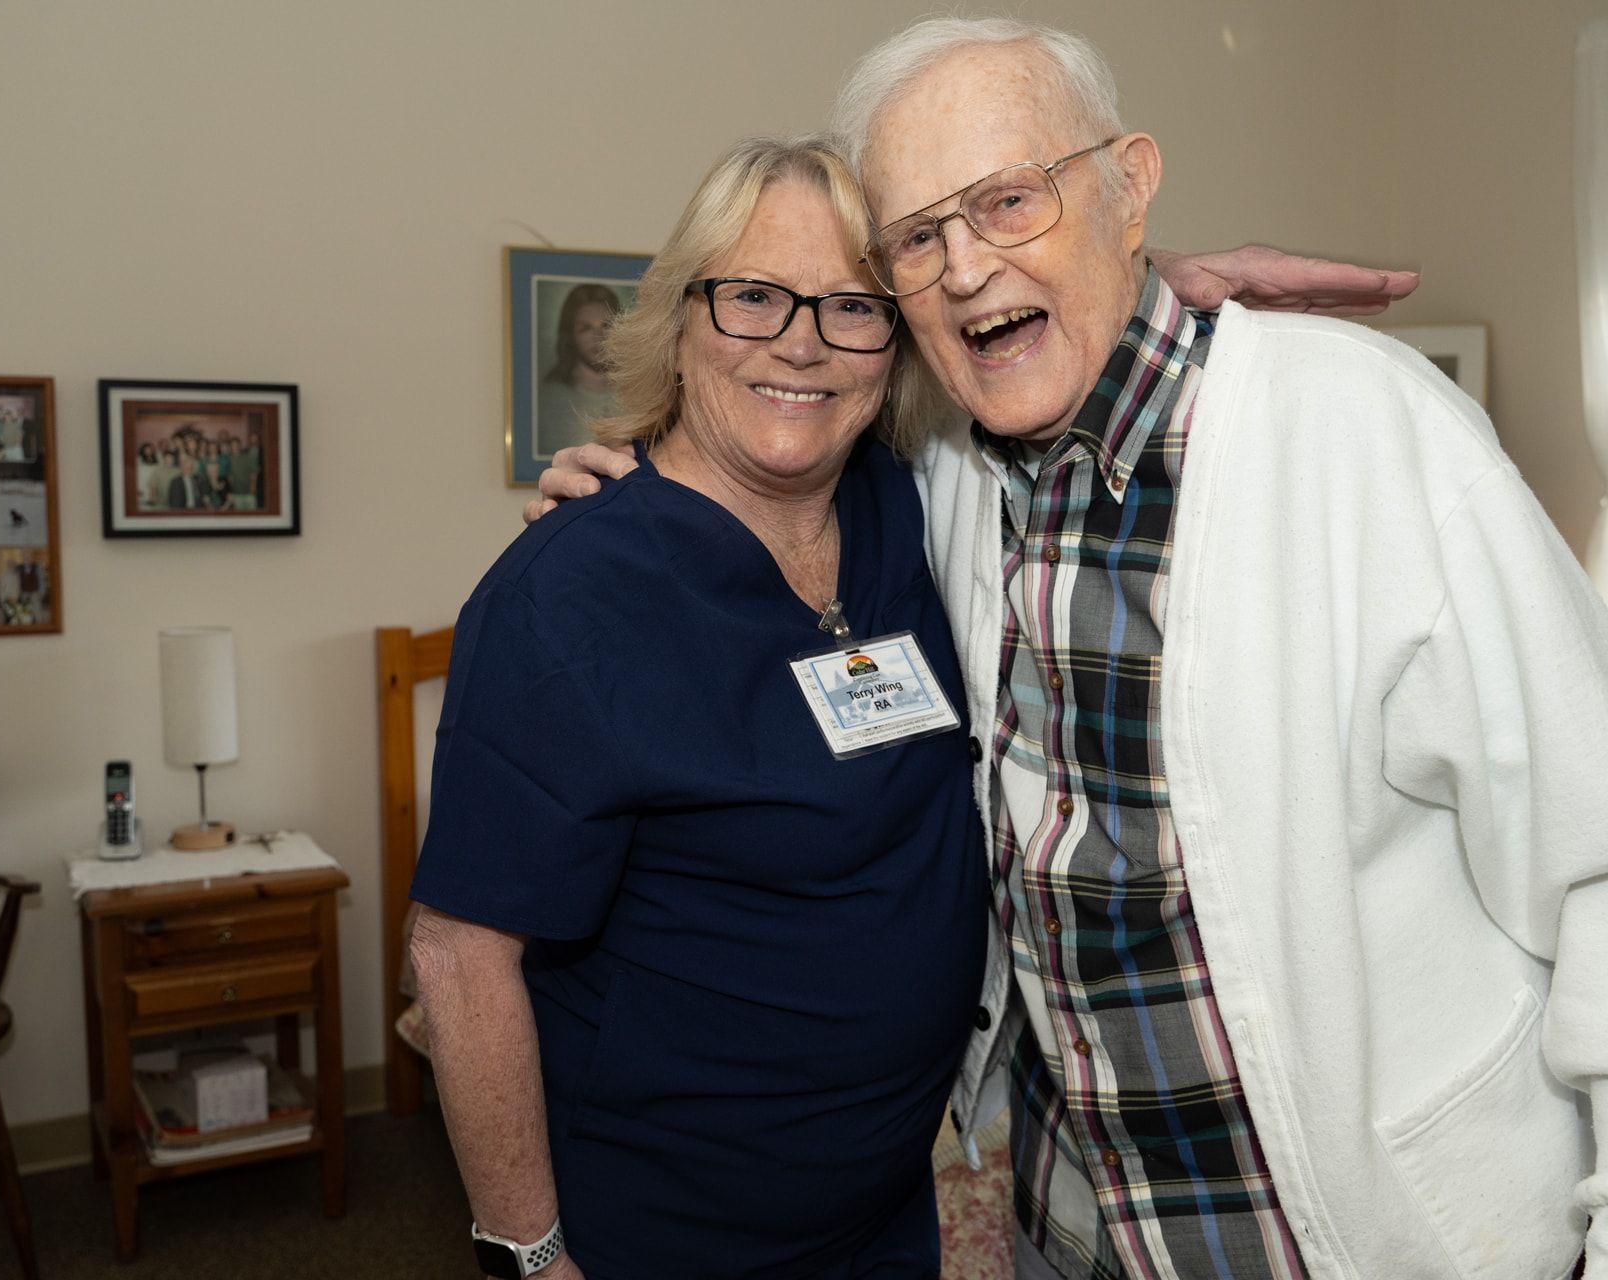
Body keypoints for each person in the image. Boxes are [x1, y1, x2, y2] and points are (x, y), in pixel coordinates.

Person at [543, 17, 1603, 1280]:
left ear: (1130, 183)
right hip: (1074, 1225)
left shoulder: (1367, 434)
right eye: (918, 237)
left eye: (1008, 200)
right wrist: (634, 495)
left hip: (1355, 1236)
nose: (965, 266)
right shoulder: (930, 479)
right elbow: (768, 436)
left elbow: (1592, 861)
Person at [412, 137, 987, 1280]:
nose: (803, 343)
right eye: (754, 296)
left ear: (896, 343)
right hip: (668, 1232)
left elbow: (1052, 341)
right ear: (679, 319)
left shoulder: (905, 509)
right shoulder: (564, 598)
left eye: (852, 306)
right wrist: (532, 1256)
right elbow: (459, 954)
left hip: (882, 1209)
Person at [534, 283, 623, 458]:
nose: (598, 337)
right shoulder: (549, 397)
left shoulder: (641, 397)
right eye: (586, 328)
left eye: (606, 326)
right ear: (570, 336)